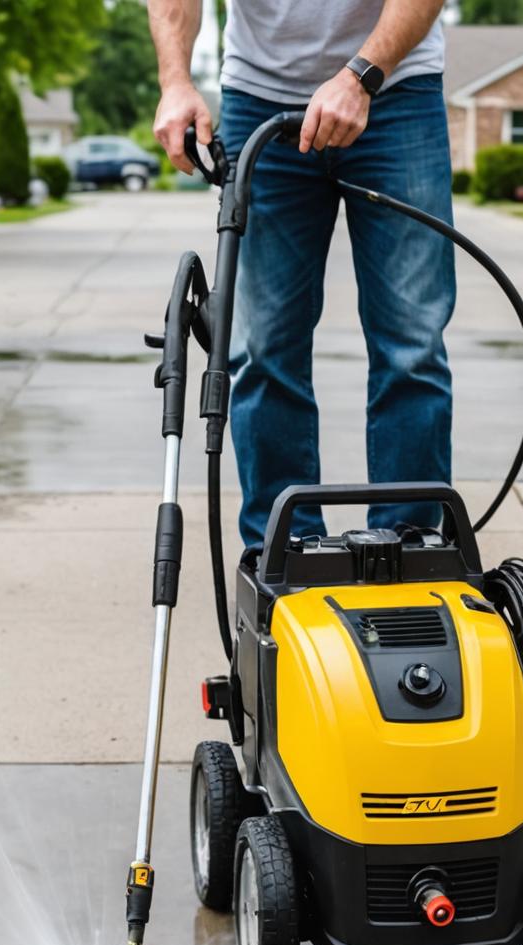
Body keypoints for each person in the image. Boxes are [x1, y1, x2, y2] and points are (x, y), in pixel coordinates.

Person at [148, 0, 453, 546]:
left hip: (396, 92)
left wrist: (361, 75)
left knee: (413, 343)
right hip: (261, 95)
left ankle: (407, 553)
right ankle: (283, 551)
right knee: (264, 347)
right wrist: (175, 81)